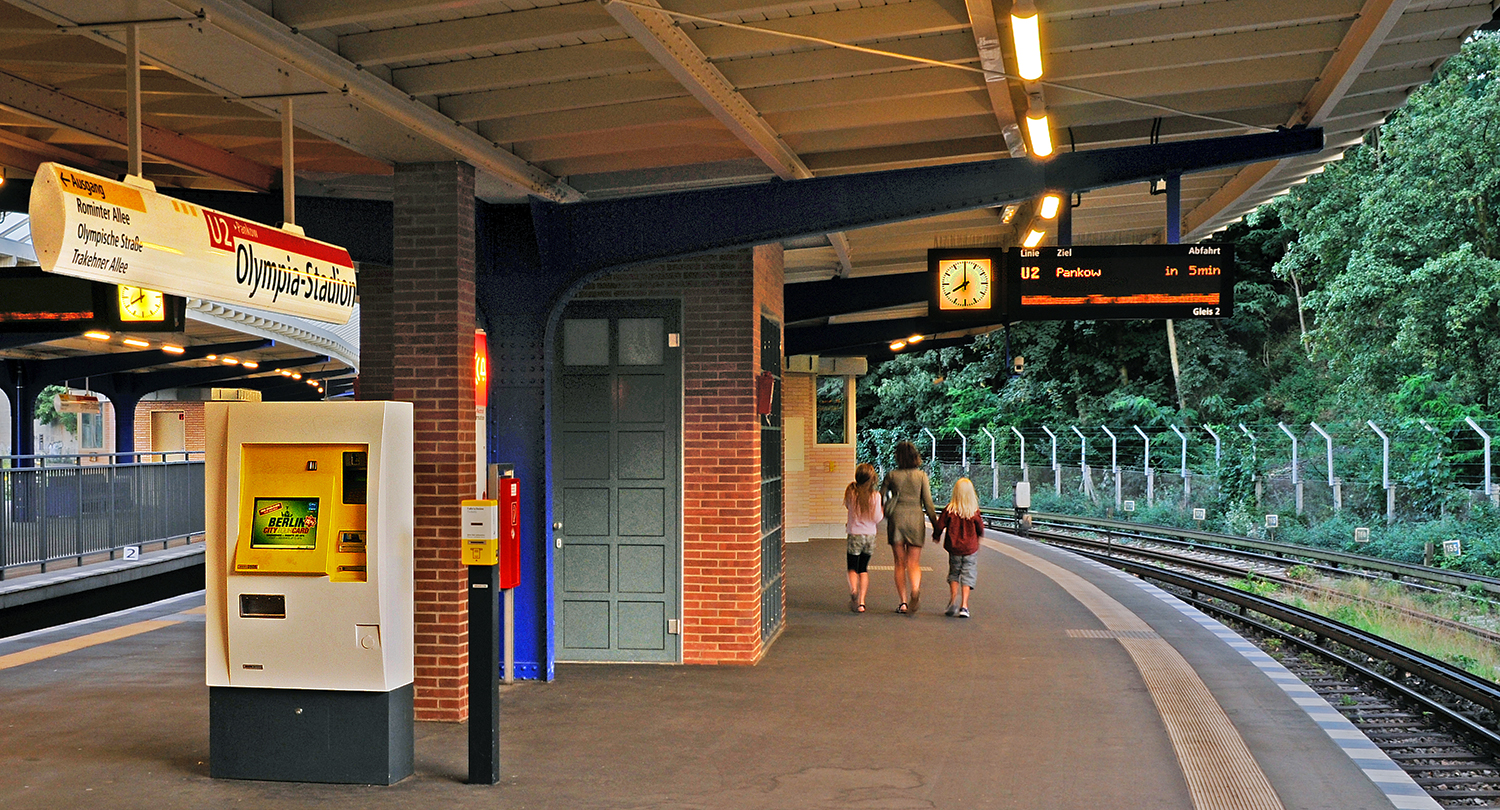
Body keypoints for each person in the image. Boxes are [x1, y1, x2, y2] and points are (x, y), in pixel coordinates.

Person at [882, 440, 938, 614]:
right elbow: (928, 504)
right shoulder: (921, 476)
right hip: (915, 519)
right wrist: (936, 526)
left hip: (897, 519)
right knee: (914, 563)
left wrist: (888, 506)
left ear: (898, 457)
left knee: (899, 563)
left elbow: (880, 497)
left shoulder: (891, 475)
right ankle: (915, 589)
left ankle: (903, 602)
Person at [934, 477, 984, 618]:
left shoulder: (950, 509)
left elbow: (939, 525)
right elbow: (980, 528)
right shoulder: (974, 511)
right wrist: (979, 537)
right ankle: (964, 606)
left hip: (954, 548)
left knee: (954, 573)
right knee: (968, 574)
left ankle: (953, 598)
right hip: (970, 549)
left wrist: (936, 536)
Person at [842, 463, 882, 614]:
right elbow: (878, 518)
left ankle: (853, 590)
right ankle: (862, 603)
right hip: (870, 536)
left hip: (854, 534)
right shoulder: (876, 496)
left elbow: (847, 506)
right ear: (872, 479)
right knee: (863, 569)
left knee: (852, 567)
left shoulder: (851, 493)